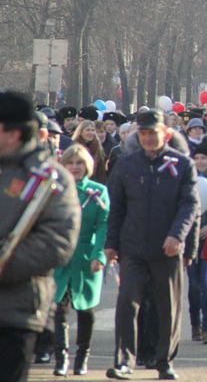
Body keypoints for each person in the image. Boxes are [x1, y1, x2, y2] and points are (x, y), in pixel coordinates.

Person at [104, 109, 200, 380]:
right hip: (132, 248)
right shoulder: (127, 163)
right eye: (143, 133)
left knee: (167, 307)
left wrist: (178, 236)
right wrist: (111, 244)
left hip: (167, 249)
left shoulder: (181, 164)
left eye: (153, 133)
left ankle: (164, 361)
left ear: (165, 134)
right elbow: (116, 207)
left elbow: (190, 204)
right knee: (127, 304)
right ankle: (124, 361)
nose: (147, 138)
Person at [0, 92, 80, 382]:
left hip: (15, 312)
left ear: (14, 132)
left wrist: (7, 262)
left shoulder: (50, 178)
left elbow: (57, 242)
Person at [53, 145, 109, 376]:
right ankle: (61, 357)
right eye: (70, 163)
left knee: (86, 309)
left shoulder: (98, 191)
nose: (75, 167)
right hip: (59, 255)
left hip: (86, 256)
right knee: (59, 309)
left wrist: (99, 254)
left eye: (79, 163)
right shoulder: (54, 189)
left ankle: (82, 357)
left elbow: (104, 225)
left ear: (87, 165)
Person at [186, 136, 207, 345]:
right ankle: (195, 324)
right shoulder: (186, 178)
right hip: (190, 238)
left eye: (204, 158)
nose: (200, 161)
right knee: (194, 284)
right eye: (197, 157)